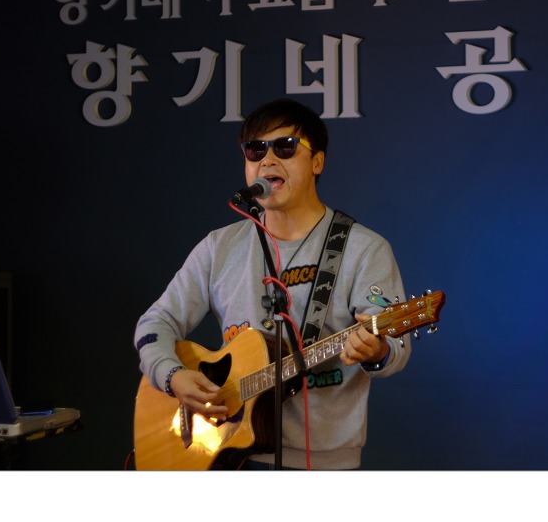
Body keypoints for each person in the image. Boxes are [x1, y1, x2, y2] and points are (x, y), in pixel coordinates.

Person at [133, 98, 410, 470]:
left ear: (317, 162)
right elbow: (155, 323)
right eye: (255, 149)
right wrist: (172, 375)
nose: (267, 160)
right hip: (230, 454)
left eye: (285, 147)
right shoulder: (220, 246)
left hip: (321, 463)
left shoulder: (363, 248)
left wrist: (377, 350)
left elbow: (395, 344)